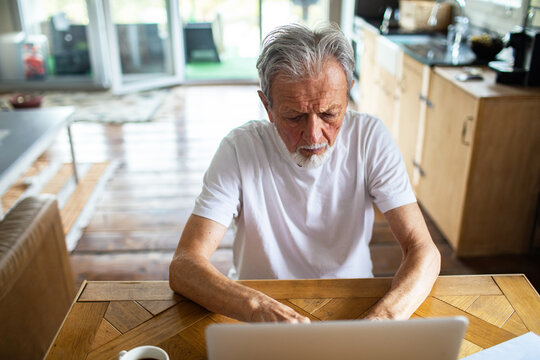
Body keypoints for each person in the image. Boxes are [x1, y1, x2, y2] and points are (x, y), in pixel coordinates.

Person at [169, 23, 440, 323]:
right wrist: (257, 308)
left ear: (348, 95)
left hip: (354, 300)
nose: (314, 136)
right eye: (294, 116)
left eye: (329, 114)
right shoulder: (239, 149)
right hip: (256, 305)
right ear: (268, 107)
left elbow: (424, 251)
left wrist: (382, 320)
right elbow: (184, 265)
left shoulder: (370, 138)